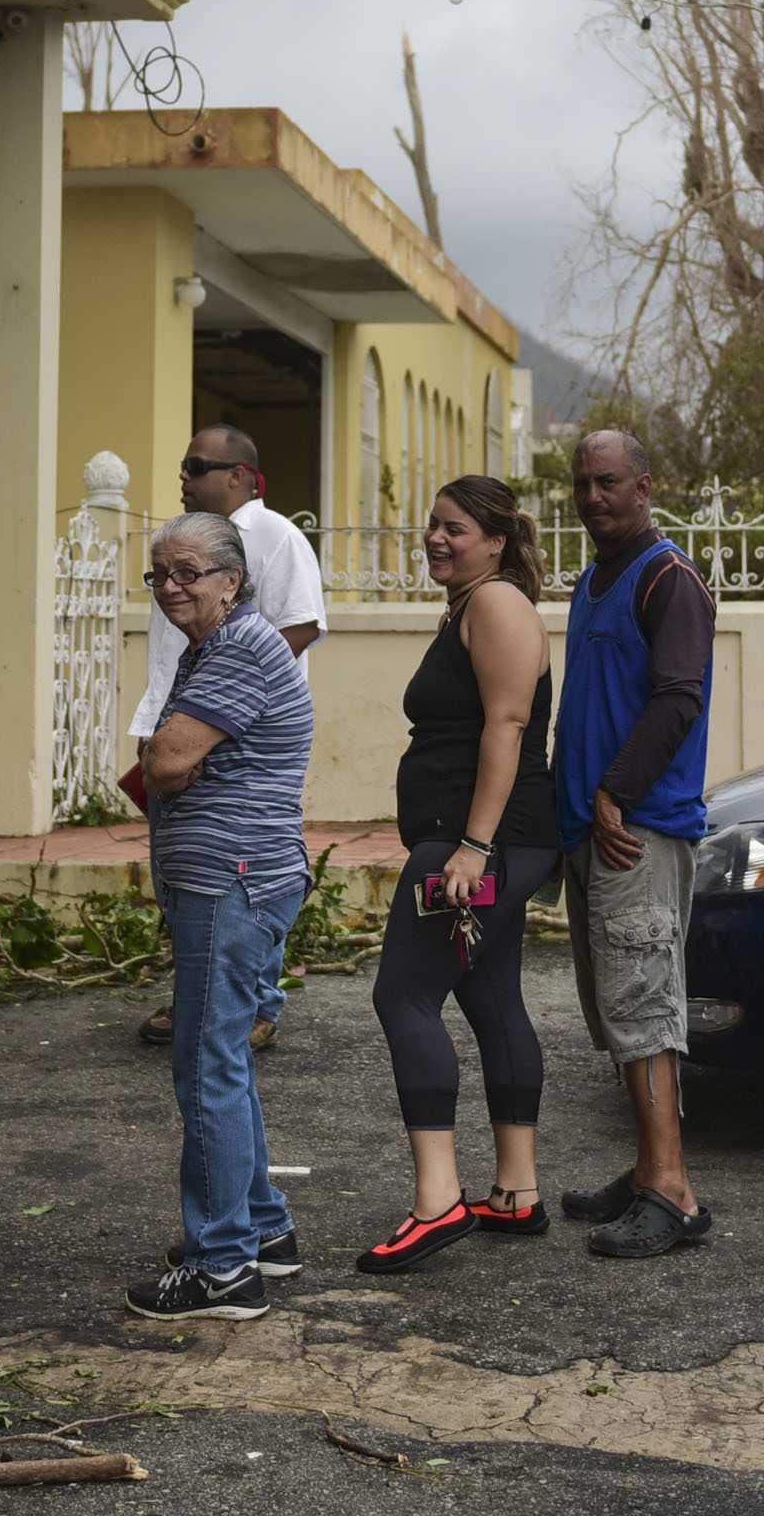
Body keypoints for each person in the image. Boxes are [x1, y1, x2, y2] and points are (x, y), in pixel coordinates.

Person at [361, 476, 558, 1272]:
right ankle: (515, 1192)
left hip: (482, 843)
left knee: (403, 995)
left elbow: (508, 725)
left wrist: (473, 847)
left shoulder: (497, 606)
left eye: (456, 529)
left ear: (499, 539)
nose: (437, 539)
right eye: (432, 526)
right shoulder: (474, 604)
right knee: (488, 993)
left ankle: (437, 1203)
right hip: (492, 840)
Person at [129, 511, 317, 1322]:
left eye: (187, 573)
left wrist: (169, 762)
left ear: (232, 581)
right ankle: (264, 1233)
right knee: (224, 1061)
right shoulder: (215, 648)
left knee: (205, 1068)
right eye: (159, 574)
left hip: (231, 883)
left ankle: (221, 1268)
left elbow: (164, 758)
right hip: (234, 878)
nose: (172, 587)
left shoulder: (239, 649)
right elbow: (172, 760)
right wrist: (173, 764)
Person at [552, 428, 720, 1263]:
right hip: (596, 834)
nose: (593, 497)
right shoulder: (594, 578)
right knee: (621, 1009)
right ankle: (650, 1168)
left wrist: (617, 790)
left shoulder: (667, 577)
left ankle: (672, 1192)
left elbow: (679, 699)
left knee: (648, 1012)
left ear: (646, 483)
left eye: (609, 481)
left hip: (638, 834)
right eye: (582, 483)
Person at [130, 426, 325, 1051]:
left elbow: (297, 625)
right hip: (180, 717)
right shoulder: (182, 543)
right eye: (160, 577)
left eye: (196, 465)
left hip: (230, 732)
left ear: (240, 473)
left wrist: (225, 707)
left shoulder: (276, 536)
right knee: (182, 872)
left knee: (237, 874)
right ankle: (205, 991)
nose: (183, 477)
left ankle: (253, 1004)